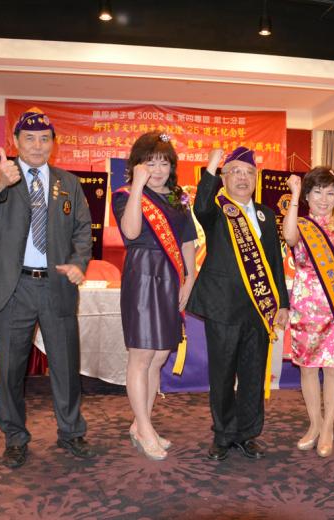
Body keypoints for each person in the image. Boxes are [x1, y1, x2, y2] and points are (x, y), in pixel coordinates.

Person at [0, 108, 95, 468]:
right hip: (14, 287)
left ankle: (71, 431)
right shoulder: (0, 174)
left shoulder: (68, 182)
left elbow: (82, 229)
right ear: (16, 141)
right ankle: (14, 436)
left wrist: (79, 262)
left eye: (44, 139)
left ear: (53, 143)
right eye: (29, 139)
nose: (38, 146)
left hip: (56, 284)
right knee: (10, 368)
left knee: (66, 365)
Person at [187, 146, 289, 461]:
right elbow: (200, 205)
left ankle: (247, 433)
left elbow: (275, 263)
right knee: (222, 373)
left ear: (256, 179)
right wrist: (213, 164)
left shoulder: (266, 214)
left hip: (258, 309)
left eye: (248, 173)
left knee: (253, 374)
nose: (243, 179)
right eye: (236, 173)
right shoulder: (217, 210)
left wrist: (282, 303)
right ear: (225, 178)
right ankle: (223, 434)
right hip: (222, 306)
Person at [111, 132, 197, 461]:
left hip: (171, 276)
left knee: (160, 354)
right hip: (143, 275)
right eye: (150, 163)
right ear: (137, 165)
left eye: (164, 163)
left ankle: (140, 423)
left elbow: (187, 240)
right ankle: (145, 429)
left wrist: (189, 279)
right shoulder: (125, 195)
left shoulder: (178, 198)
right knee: (142, 353)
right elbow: (131, 232)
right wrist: (137, 186)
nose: (158, 170)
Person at [282, 167, 334, 458]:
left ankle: (328, 427)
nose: (324, 199)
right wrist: (294, 195)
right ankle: (314, 424)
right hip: (305, 309)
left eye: (330, 193)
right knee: (307, 369)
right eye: (317, 192)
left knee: (333, 369)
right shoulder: (300, 225)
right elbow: (289, 237)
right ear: (307, 195)